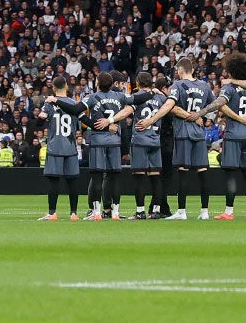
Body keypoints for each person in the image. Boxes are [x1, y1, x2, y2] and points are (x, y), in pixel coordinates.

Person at [147, 58, 213, 220]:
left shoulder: (178, 85)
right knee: (203, 172)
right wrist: (203, 119)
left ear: (180, 70)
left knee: (183, 173)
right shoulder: (205, 86)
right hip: (199, 133)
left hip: (183, 132)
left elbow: (171, 106)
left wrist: (152, 119)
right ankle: (204, 212)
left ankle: (182, 212)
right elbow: (214, 106)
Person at [210, 53, 246, 220]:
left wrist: (238, 118)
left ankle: (229, 212)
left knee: (231, 174)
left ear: (231, 71)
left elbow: (221, 106)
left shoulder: (228, 88)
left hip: (233, 134)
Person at [82, 71, 132, 220]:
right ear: (114, 83)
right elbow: (135, 103)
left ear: (97, 83)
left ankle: (97, 211)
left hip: (99, 140)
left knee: (98, 176)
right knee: (113, 176)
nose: (123, 86)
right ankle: (112, 211)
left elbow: (78, 112)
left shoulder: (92, 97)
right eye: (122, 83)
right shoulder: (120, 97)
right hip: (114, 140)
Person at [38, 76, 84, 221]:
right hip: (70, 147)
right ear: (66, 86)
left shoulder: (49, 104)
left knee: (53, 180)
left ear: (53, 88)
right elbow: (82, 124)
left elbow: (39, 123)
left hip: (55, 146)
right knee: (73, 181)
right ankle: (74, 213)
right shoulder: (75, 104)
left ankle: (52, 213)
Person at [125, 71, 167, 218]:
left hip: (140, 140)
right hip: (155, 140)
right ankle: (155, 211)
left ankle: (140, 211)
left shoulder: (137, 98)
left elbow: (127, 107)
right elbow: (171, 105)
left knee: (139, 177)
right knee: (155, 177)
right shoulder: (161, 98)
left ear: (138, 83)